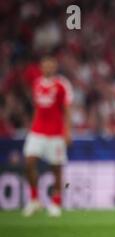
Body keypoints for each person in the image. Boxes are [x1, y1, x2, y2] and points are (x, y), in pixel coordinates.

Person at [22, 55, 73, 217]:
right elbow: (38, 108)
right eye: (45, 65)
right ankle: (34, 200)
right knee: (29, 162)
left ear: (55, 67)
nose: (48, 68)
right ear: (41, 67)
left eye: (51, 65)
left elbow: (67, 110)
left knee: (56, 168)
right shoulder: (37, 84)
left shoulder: (62, 85)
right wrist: (32, 125)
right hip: (37, 131)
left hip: (56, 133)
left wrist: (68, 132)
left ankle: (56, 202)